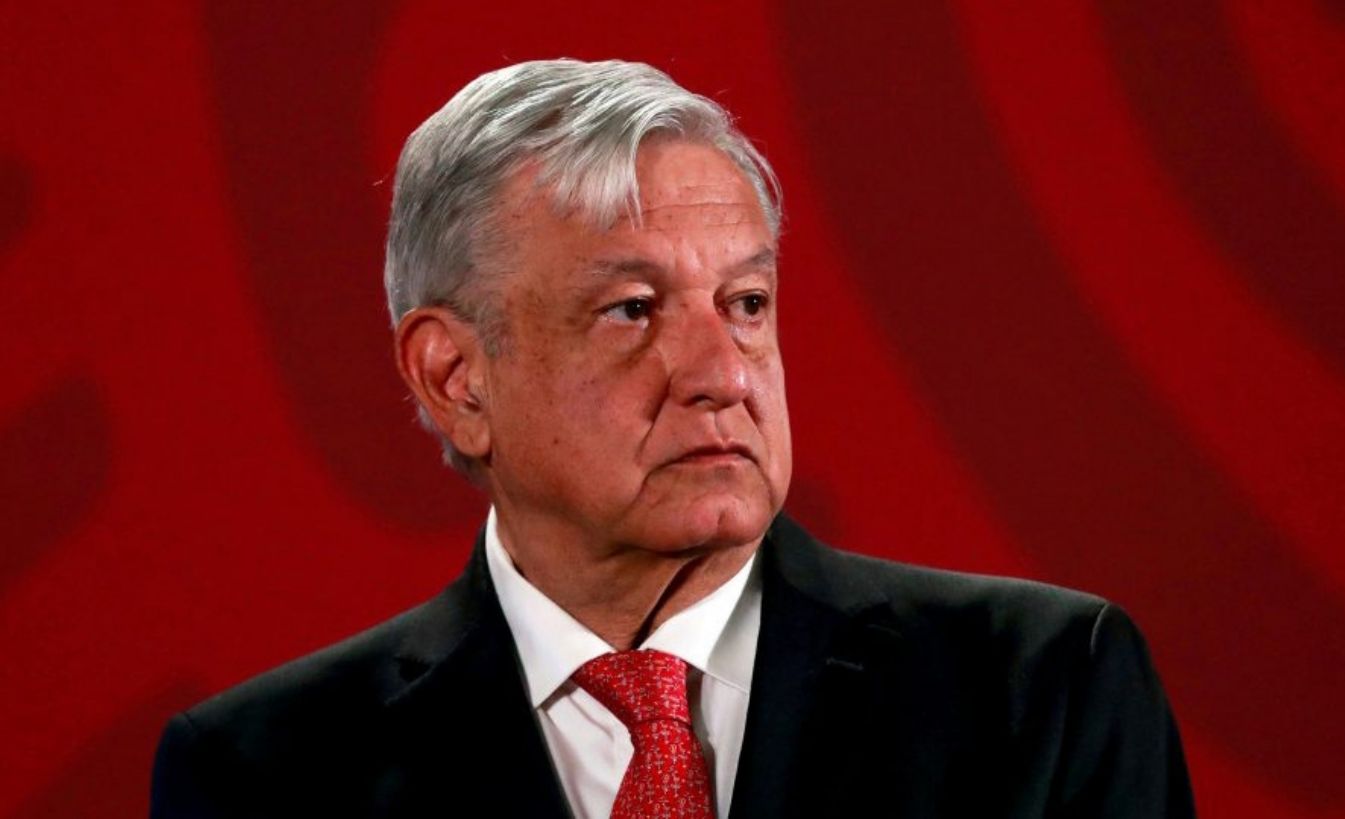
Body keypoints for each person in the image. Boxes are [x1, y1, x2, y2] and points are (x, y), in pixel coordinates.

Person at [150, 58, 1194, 818]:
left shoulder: (1042, 692)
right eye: (632, 310)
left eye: (746, 302)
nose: (724, 375)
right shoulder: (262, 775)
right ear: (456, 376)